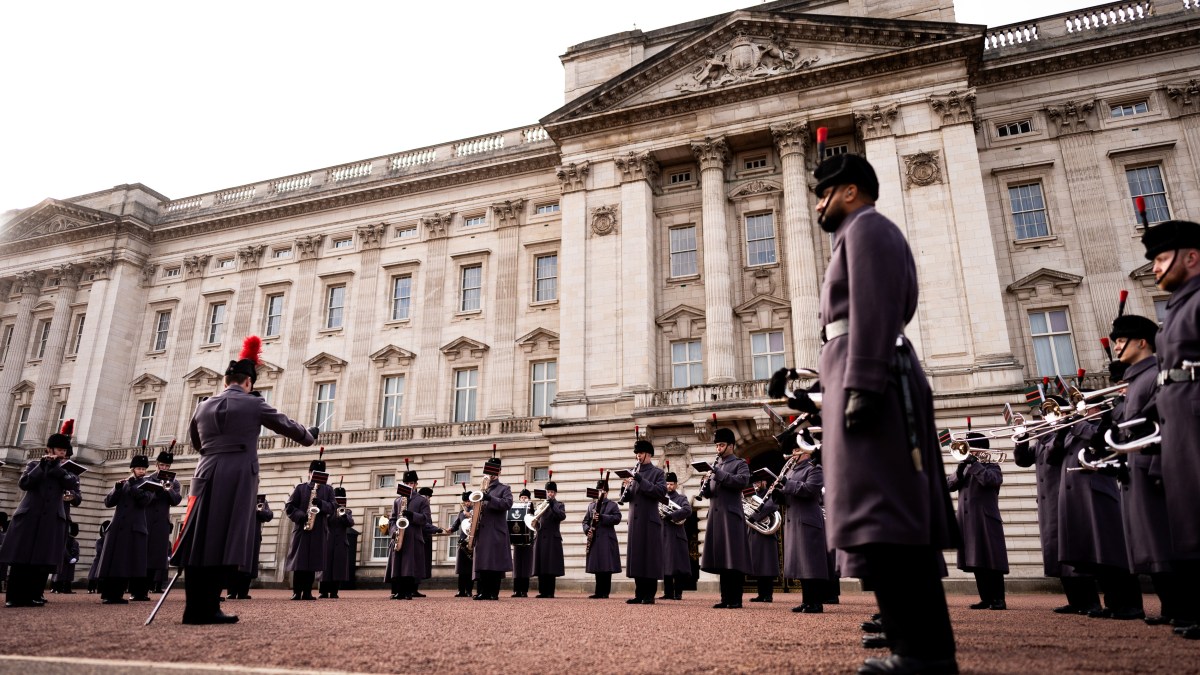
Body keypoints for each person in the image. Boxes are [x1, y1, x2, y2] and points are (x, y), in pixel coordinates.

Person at [808, 153, 958, 674]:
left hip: (872, 377)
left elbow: (874, 310)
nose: (818, 203)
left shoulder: (867, 229)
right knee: (876, 518)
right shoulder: (856, 234)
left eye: (824, 192)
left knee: (886, 515)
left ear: (850, 191)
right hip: (856, 373)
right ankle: (914, 648)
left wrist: (864, 384)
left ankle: (924, 654)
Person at [171, 335, 318, 624]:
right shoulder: (254, 404)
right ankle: (210, 607)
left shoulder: (203, 406)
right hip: (237, 475)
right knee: (225, 538)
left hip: (205, 471)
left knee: (200, 538)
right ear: (249, 383)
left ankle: (193, 608)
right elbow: (287, 426)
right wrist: (309, 435)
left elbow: (196, 443)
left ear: (226, 381)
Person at [1102, 313, 1182, 626]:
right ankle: (1172, 608)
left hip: (1154, 469)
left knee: (1164, 542)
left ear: (1142, 342)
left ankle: (1180, 608)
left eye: (1122, 340)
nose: (1117, 346)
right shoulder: (1137, 380)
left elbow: (1159, 423)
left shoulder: (1154, 376)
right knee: (1152, 544)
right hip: (1137, 469)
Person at [1141, 220, 1200, 639]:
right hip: (1177, 420)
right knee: (1190, 517)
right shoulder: (1178, 306)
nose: (1156, 269)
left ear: (1192, 257)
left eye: (1162, 258)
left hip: (1194, 415)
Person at [1014, 402, 1101, 615]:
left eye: (1049, 414)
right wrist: (1021, 438)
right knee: (1058, 553)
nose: (1045, 418)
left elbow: (1055, 453)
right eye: (1044, 414)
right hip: (1048, 503)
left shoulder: (1064, 436)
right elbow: (1022, 460)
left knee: (1073, 549)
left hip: (1064, 498)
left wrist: (1051, 430)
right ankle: (1075, 600)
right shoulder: (1044, 441)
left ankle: (1090, 601)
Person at [0, 423, 82, 608]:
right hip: (30, 515)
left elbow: (72, 487)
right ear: (49, 449)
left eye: (64, 451)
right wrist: (43, 466)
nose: (61, 454)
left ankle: (34, 594)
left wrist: (57, 468)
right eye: (59, 450)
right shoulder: (34, 464)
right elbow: (25, 483)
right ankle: (14, 596)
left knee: (42, 559)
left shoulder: (69, 471)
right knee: (21, 558)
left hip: (53, 518)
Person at [946, 433, 1009, 610]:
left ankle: (998, 599)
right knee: (976, 560)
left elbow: (991, 481)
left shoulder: (992, 465)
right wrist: (959, 470)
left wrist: (975, 464)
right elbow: (948, 486)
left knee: (991, 560)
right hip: (967, 522)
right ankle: (986, 598)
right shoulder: (965, 467)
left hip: (985, 519)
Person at [773, 435, 831, 613]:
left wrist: (786, 484)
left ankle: (816, 602)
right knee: (800, 563)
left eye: (797, 450)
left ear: (807, 451)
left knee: (811, 563)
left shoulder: (815, 469)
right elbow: (789, 492)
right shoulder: (790, 471)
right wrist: (778, 493)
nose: (794, 453)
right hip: (794, 519)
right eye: (793, 450)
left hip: (808, 519)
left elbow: (809, 490)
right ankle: (807, 600)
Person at [700, 427, 751, 609]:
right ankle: (725, 598)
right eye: (717, 445)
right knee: (721, 558)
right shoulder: (717, 466)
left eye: (721, 445)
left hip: (731, 516)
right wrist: (704, 485)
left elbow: (741, 481)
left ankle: (735, 599)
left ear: (730, 445)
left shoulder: (740, 463)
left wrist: (717, 474)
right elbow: (711, 493)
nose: (718, 449)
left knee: (733, 558)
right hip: (716, 517)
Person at [96, 454, 153, 604]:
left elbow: (145, 501)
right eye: (139, 468)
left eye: (144, 468)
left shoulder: (148, 485)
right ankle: (109, 594)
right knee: (114, 562)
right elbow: (108, 502)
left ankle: (119, 593)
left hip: (134, 529)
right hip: (118, 528)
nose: (142, 471)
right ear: (133, 469)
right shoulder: (124, 483)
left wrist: (134, 487)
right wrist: (117, 488)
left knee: (125, 563)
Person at [619, 439, 666, 605]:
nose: (637, 456)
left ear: (648, 454)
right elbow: (628, 497)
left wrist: (639, 479)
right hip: (635, 521)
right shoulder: (633, 472)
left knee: (649, 558)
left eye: (640, 453)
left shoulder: (658, 473)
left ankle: (649, 595)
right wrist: (624, 487)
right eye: (636, 454)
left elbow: (659, 492)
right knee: (637, 557)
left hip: (650, 521)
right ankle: (639, 594)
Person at [285, 456, 335, 600]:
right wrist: (302, 516)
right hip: (302, 528)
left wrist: (321, 504)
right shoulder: (301, 488)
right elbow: (289, 506)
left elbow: (333, 507)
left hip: (318, 529)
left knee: (313, 561)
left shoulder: (328, 490)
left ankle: (307, 591)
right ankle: (297, 591)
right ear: (309, 472)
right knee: (299, 562)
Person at [471, 457, 513, 601]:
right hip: (482, 531)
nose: (492, 475)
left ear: (499, 472)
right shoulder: (482, 488)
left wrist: (489, 498)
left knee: (494, 563)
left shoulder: (504, 488)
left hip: (495, 531)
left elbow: (507, 504)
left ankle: (493, 592)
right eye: (489, 472)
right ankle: (482, 591)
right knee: (482, 563)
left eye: (494, 472)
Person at [144, 449, 182, 595]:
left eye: (167, 466)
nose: (164, 468)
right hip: (147, 519)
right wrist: (157, 489)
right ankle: (141, 584)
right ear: (157, 465)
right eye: (162, 465)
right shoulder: (148, 479)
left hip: (161, 522)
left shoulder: (174, 482)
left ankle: (156, 583)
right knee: (144, 553)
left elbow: (176, 501)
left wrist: (168, 489)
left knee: (158, 555)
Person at [388, 470, 430, 600]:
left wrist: (412, 515)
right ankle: (398, 591)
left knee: (410, 565)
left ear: (416, 484)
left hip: (413, 536)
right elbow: (392, 519)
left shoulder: (422, 500)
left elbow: (426, 519)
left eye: (411, 483)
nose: (409, 485)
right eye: (406, 483)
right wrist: (394, 530)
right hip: (399, 536)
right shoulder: (397, 501)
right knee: (398, 565)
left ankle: (408, 592)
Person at [227, 494, 272, 600]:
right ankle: (231, 592)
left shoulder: (260, 500)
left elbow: (269, 515)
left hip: (253, 536)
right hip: (237, 535)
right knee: (235, 563)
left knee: (249, 564)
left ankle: (243, 592)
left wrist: (260, 511)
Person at [583, 477, 620, 599]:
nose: (600, 493)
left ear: (607, 492)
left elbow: (617, 518)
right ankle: (598, 592)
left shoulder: (612, 505)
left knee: (606, 566)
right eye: (598, 491)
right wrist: (587, 530)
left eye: (603, 491)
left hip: (607, 538)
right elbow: (585, 521)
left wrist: (602, 517)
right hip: (595, 539)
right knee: (597, 566)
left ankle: (605, 592)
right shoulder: (591, 506)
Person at [745, 475, 780, 604]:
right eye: (755, 482)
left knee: (767, 566)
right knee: (758, 565)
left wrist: (754, 516)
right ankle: (760, 594)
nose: (756, 484)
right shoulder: (752, 494)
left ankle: (768, 595)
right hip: (754, 532)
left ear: (764, 481)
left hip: (766, 534)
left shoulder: (770, 493)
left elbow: (771, 506)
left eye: (759, 481)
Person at [660, 471, 692, 601]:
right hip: (663, 535)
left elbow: (687, 510)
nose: (669, 486)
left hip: (676, 535)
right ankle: (668, 593)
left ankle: (678, 593)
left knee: (677, 566)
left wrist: (672, 515)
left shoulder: (681, 498)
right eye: (667, 484)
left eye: (671, 484)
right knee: (665, 565)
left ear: (676, 485)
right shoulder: (661, 498)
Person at [532, 479, 566, 598]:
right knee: (541, 565)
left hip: (552, 538)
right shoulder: (541, 505)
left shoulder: (559, 504)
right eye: (548, 491)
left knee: (550, 565)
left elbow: (561, 516)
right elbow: (536, 520)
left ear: (555, 493)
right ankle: (542, 591)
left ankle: (550, 592)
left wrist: (552, 505)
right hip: (541, 537)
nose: (550, 494)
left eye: (552, 492)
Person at [319, 486, 354, 599]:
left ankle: (334, 591)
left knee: (338, 569)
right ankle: (323, 591)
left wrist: (343, 515)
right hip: (328, 541)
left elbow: (350, 523)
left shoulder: (347, 511)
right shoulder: (328, 510)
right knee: (326, 568)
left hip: (341, 543)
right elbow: (325, 522)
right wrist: (333, 512)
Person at [448, 491, 474, 597]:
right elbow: (455, 525)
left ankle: (469, 590)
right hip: (463, 542)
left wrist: (470, 516)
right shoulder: (461, 513)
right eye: (465, 501)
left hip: (472, 542)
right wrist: (450, 529)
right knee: (462, 569)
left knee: (470, 568)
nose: (467, 503)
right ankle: (461, 590)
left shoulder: (475, 511)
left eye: (468, 501)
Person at [511, 487, 535, 598]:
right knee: (517, 566)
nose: (523, 499)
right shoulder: (515, 509)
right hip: (517, 541)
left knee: (525, 566)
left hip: (528, 541)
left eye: (525, 497)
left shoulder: (532, 509)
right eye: (522, 497)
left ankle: (524, 590)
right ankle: (516, 590)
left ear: (529, 499)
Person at [417, 485, 437, 598]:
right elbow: (424, 524)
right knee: (419, 564)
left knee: (422, 565)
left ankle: (415, 588)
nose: (429, 500)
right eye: (428, 497)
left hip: (425, 539)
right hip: (421, 539)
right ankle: (413, 588)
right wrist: (436, 529)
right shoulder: (422, 506)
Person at [52, 522, 80, 594]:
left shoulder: (75, 542)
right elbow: (64, 550)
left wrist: (76, 558)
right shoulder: (64, 539)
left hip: (71, 561)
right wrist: (69, 558)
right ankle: (57, 588)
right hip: (64, 560)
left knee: (69, 576)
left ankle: (67, 589)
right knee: (61, 574)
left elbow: (77, 551)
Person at [86, 521, 109, 594]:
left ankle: (100, 589)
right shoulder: (99, 541)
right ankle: (90, 588)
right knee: (93, 575)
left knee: (102, 577)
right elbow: (99, 550)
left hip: (105, 560)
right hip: (98, 560)